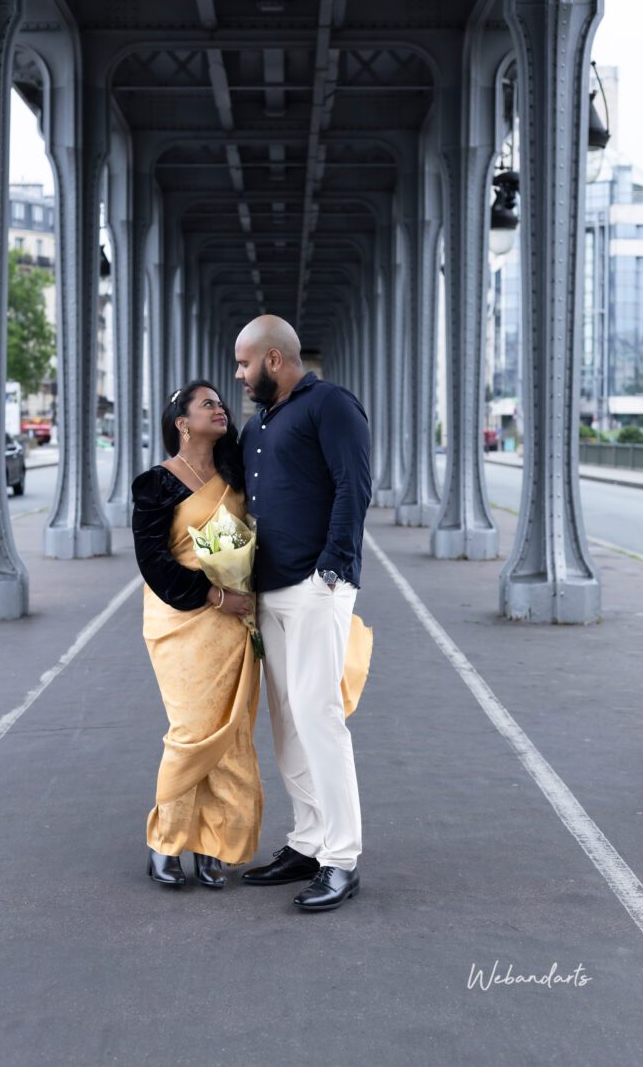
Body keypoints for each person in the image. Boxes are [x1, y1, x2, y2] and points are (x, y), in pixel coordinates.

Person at [235, 315, 373, 912]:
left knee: (319, 718)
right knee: (287, 722)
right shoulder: (258, 423)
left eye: (244, 363)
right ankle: (308, 842)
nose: (239, 375)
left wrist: (331, 572)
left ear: (274, 359)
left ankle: (342, 859)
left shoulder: (331, 405)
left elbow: (353, 486)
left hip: (316, 587)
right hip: (269, 591)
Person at [131, 381, 263, 889]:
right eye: (208, 403)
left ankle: (215, 843)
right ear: (183, 423)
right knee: (192, 730)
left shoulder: (236, 475)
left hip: (234, 621)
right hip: (182, 618)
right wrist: (212, 595)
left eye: (221, 403)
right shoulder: (156, 484)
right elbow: (153, 561)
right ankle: (165, 840)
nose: (220, 408)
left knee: (231, 733)